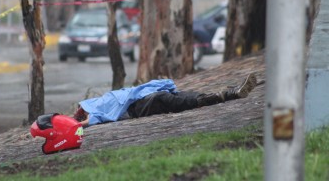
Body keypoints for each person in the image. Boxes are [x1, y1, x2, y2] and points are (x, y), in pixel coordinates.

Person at [74, 73, 257, 127]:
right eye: (79, 112)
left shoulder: (96, 101)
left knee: (181, 95)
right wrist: (79, 122)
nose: (79, 110)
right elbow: (89, 121)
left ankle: (229, 93)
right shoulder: (96, 112)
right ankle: (224, 95)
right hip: (137, 108)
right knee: (165, 99)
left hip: (139, 98)